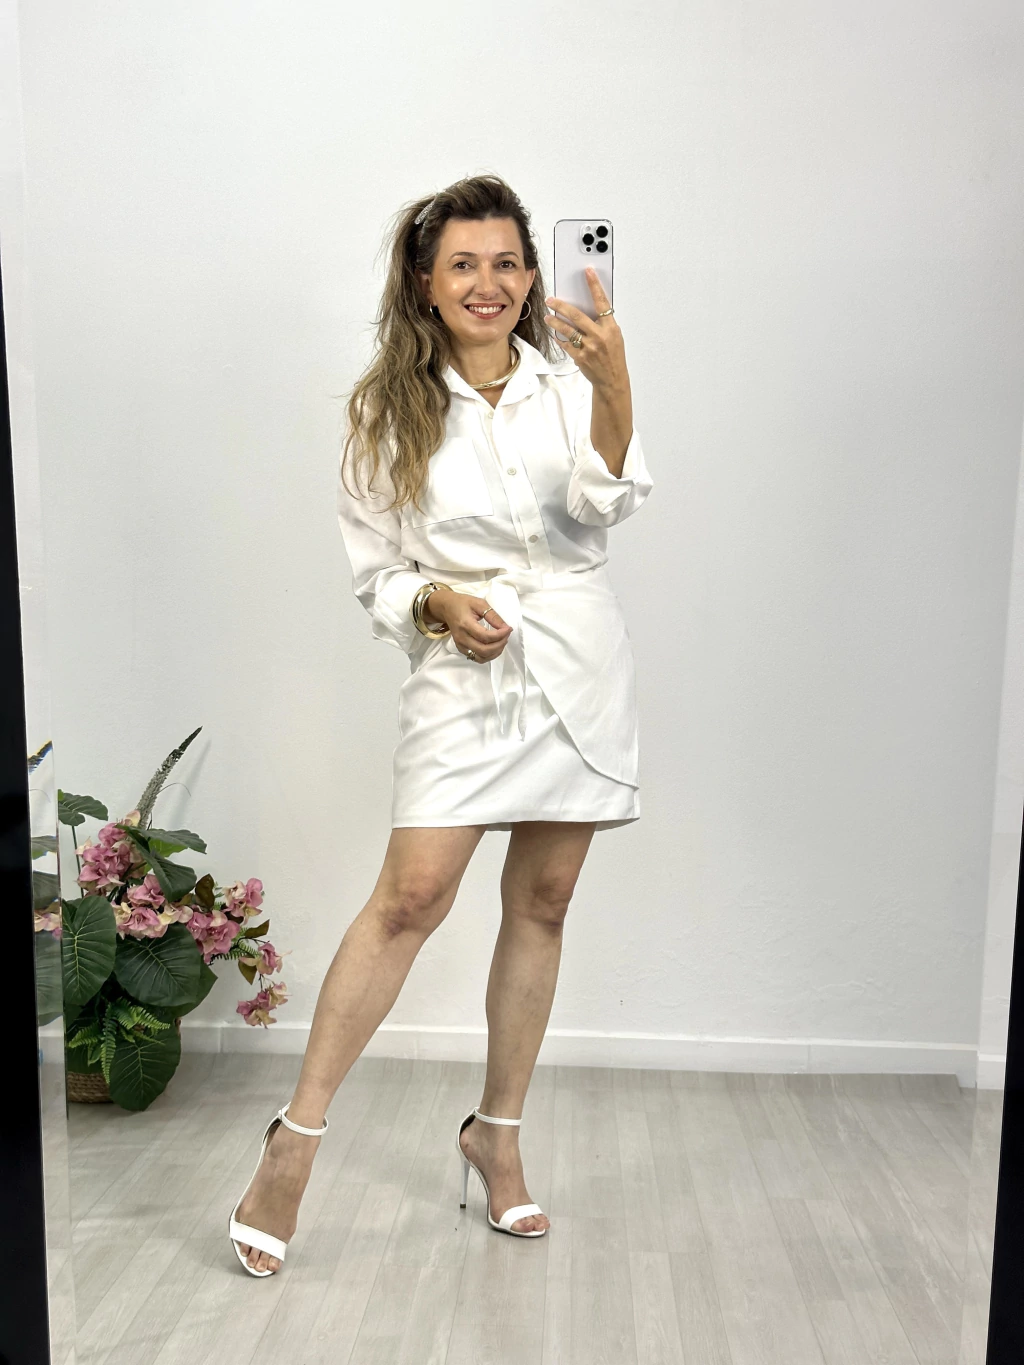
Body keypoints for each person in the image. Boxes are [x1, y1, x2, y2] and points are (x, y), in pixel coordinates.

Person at [228, 172, 654, 1275]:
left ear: (533, 276)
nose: (488, 283)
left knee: (544, 902)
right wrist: (436, 602)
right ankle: (295, 1138)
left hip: (575, 663)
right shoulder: (386, 410)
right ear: (424, 282)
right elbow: (377, 573)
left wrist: (614, 383)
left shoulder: (570, 382)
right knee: (410, 898)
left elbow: (603, 503)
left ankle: (496, 1137)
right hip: (464, 671)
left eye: (508, 262)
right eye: (463, 263)